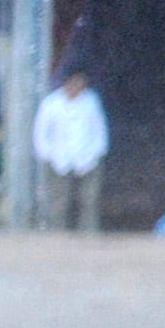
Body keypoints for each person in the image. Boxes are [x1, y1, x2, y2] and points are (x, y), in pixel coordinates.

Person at [35, 71, 108, 234]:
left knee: (89, 199)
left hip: (88, 157)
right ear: (65, 83)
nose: (76, 87)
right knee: (59, 200)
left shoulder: (91, 102)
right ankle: (57, 233)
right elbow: (41, 131)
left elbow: (99, 129)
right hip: (58, 157)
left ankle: (88, 233)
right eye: (73, 83)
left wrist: (97, 151)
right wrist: (47, 154)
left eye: (79, 82)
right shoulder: (51, 103)